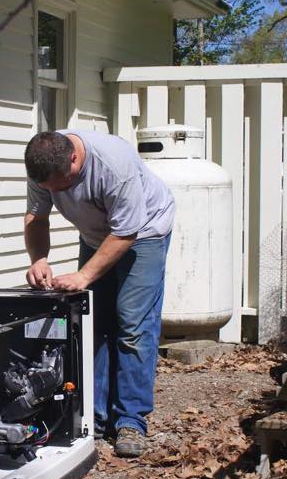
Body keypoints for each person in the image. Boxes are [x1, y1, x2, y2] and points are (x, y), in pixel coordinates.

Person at [23, 129, 174, 457]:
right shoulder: (44, 166)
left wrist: (83, 276)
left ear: (74, 158)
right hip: (96, 236)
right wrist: (39, 259)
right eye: (49, 188)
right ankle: (95, 417)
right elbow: (37, 217)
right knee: (95, 324)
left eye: (61, 185)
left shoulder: (113, 165)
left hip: (144, 233)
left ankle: (131, 420)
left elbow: (126, 232)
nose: (56, 193)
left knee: (132, 326)